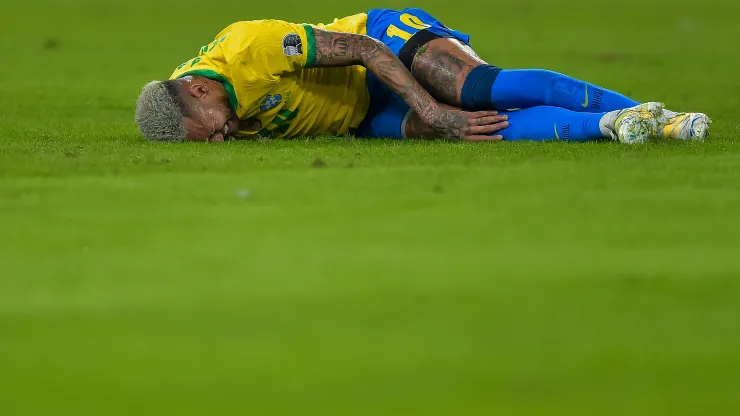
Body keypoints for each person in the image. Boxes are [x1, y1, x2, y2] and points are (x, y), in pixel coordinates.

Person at [135, 8, 711, 144]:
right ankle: (621, 124)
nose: (220, 137)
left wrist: (434, 106)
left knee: (470, 91)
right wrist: (432, 121)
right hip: (363, 115)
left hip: (381, 44)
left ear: (199, 90)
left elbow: (360, 47)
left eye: (208, 128)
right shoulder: (193, 101)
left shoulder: (249, 48)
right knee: (476, 129)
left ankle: (656, 108)